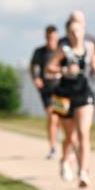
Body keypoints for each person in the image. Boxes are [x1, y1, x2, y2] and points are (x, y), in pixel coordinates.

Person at [46, 16, 95, 187]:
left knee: (84, 133)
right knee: (70, 137)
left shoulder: (90, 47)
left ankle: (83, 172)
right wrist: (64, 69)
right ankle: (64, 160)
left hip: (84, 93)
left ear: (83, 31)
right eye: (73, 31)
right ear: (68, 34)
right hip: (64, 94)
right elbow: (49, 67)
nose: (76, 34)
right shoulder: (63, 50)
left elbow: (94, 64)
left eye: (79, 30)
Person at [30, 24, 62, 159]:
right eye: (49, 38)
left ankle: (56, 134)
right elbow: (32, 67)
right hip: (47, 90)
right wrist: (36, 78)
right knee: (52, 116)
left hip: (61, 89)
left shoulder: (62, 51)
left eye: (53, 37)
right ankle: (53, 147)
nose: (51, 40)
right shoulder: (39, 52)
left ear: (57, 37)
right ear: (46, 37)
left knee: (60, 118)